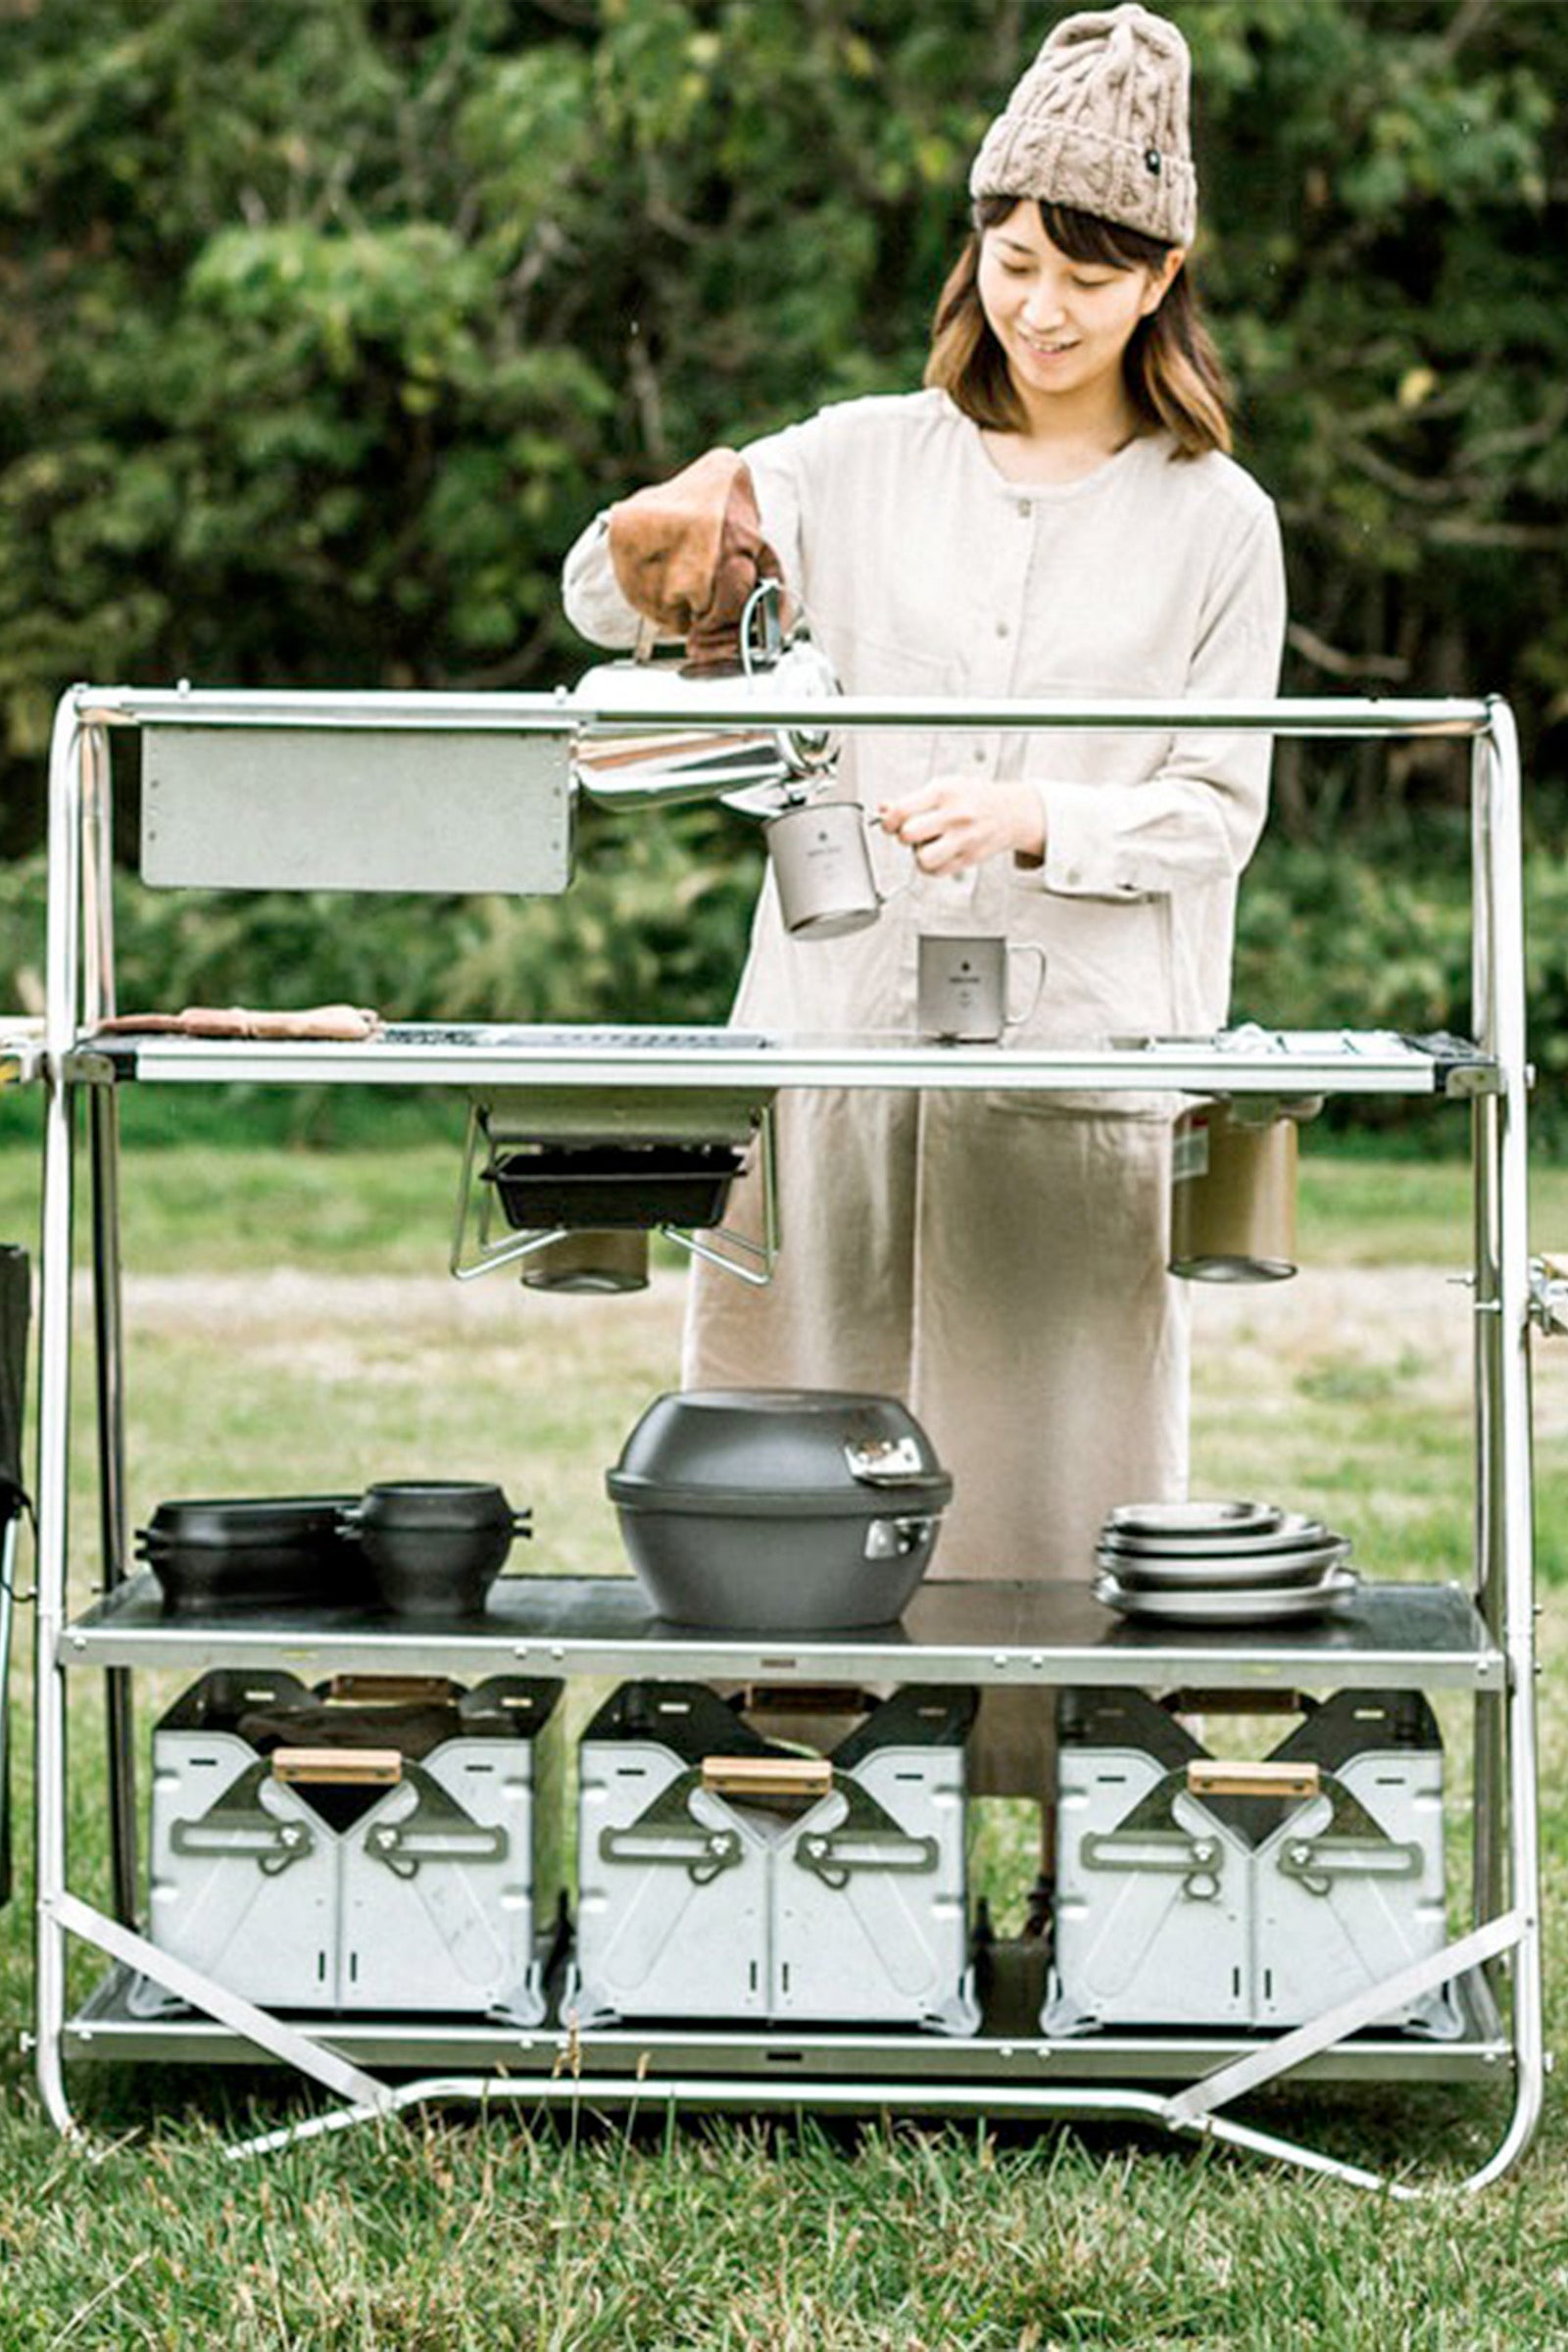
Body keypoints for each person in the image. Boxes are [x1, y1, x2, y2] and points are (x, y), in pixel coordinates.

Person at [563, 3, 1287, 1814]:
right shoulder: (861, 458)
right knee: (790, 1459)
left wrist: (1042, 813)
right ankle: (790, 1845)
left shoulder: (1218, 522)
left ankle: (1071, 1836)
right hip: (832, 1050)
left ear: (1164, 277)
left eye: (1089, 275)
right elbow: (603, 593)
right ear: (977, 245)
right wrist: (685, 539)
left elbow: (1218, 813)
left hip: (1068, 1072)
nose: (1041, 308)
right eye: (1014, 256)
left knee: (1054, 1484)